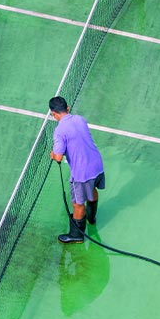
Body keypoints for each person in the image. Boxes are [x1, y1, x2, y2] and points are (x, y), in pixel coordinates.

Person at [49, 96, 105, 243]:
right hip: (97, 165)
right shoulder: (80, 119)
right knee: (92, 190)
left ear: (53, 114)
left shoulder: (59, 131)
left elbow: (59, 157)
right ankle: (91, 218)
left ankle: (76, 236)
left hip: (82, 173)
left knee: (78, 204)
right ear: (67, 108)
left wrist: (53, 154)